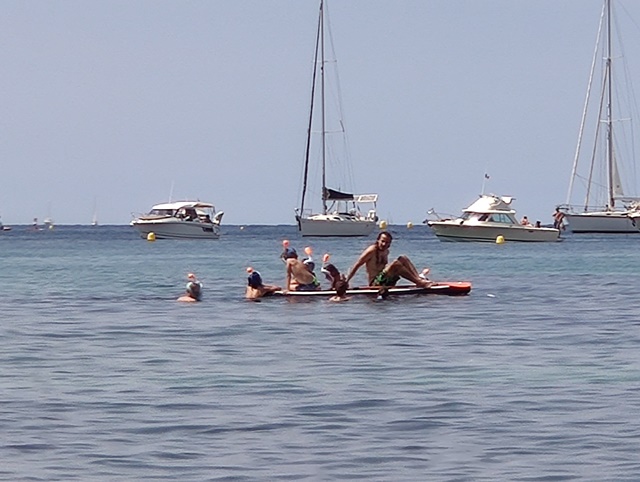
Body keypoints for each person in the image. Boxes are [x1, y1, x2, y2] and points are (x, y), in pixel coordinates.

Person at [344, 231, 431, 288]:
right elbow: (357, 265)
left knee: (403, 258)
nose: (384, 244)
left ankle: (418, 279)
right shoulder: (371, 251)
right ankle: (419, 282)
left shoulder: (386, 251)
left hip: (386, 281)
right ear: (378, 240)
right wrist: (346, 281)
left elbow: (385, 270)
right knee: (396, 264)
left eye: (387, 242)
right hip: (375, 283)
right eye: (382, 241)